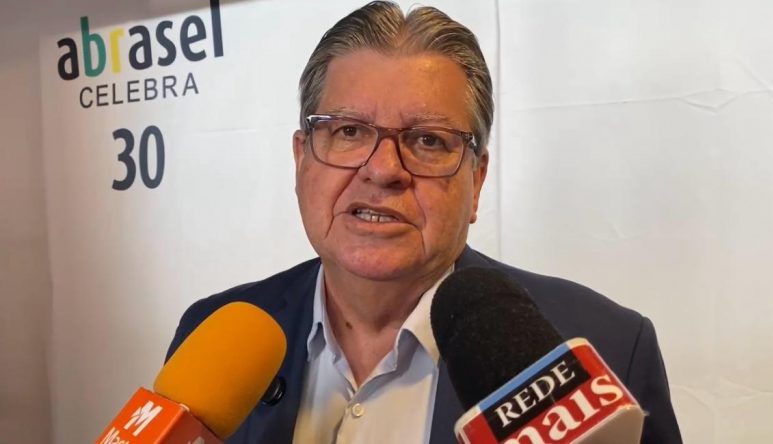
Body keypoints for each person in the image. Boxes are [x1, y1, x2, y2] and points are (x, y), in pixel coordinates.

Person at [166, 2, 682, 443]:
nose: (383, 170)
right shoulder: (212, 337)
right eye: (348, 131)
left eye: (428, 140)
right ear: (302, 160)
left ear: (476, 179)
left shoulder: (604, 347)